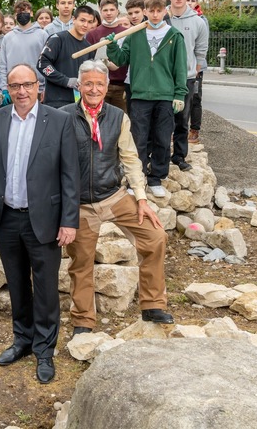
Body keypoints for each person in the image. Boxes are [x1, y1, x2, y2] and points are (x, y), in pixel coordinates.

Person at [60, 60, 173, 338]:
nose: (94, 88)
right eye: (88, 83)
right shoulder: (62, 116)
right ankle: (83, 321)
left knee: (155, 237)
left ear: (107, 86)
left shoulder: (118, 116)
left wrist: (142, 198)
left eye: (100, 83)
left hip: (114, 196)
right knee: (81, 263)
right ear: (79, 85)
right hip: (81, 204)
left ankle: (152, 304)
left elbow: (130, 158)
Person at [0, 64, 79, 384]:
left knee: (47, 288)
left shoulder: (60, 120)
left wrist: (69, 220)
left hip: (46, 220)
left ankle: (44, 350)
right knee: (16, 283)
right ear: (8, 89)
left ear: (39, 87)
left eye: (27, 85)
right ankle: (22, 340)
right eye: (15, 86)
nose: (21, 91)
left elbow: (70, 175)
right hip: (6, 217)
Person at [106, 0, 187, 199]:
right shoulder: (135, 34)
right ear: (145, 12)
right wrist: (112, 44)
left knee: (161, 138)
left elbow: (180, 69)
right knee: (139, 138)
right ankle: (137, 178)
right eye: (151, 10)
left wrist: (179, 94)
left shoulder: (174, 35)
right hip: (140, 94)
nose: (155, 14)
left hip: (165, 95)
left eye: (159, 10)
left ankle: (156, 177)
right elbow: (121, 59)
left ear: (164, 11)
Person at [166, 0, 208, 171]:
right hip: (163, 76)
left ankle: (179, 156)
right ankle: (160, 154)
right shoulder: (162, 17)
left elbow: (201, 50)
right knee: (162, 117)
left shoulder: (198, 21)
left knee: (182, 119)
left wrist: (194, 70)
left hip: (187, 77)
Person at [37, 5, 96, 108]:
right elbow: (42, 64)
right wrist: (66, 81)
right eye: (82, 20)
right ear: (74, 19)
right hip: (56, 102)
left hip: (78, 103)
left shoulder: (89, 47)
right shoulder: (57, 39)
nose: (85, 25)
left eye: (89, 22)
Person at [0, 0, 49, 101]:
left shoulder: (43, 35)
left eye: (25, 12)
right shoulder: (8, 38)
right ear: (15, 15)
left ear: (31, 13)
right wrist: (4, 88)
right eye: (19, 13)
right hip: (14, 88)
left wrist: (46, 87)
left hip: (37, 88)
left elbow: (48, 63)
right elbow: (3, 65)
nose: (22, 15)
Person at [86, 0, 129, 112]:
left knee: (121, 120)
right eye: (105, 10)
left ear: (117, 11)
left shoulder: (126, 33)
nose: (108, 13)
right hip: (99, 85)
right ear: (100, 11)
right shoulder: (93, 34)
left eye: (112, 10)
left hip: (122, 86)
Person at [186, 0, 209, 144]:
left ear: (196, 3)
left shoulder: (201, 20)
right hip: (182, 66)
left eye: (192, 1)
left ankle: (194, 129)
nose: (190, 3)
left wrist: (198, 67)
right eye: (188, 0)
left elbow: (202, 46)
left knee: (195, 98)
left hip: (196, 68)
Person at [123, 0, 146, 113]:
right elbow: (122, 58)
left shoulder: (152, 30)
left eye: (137, 12)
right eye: (130, 13)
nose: (134, 16)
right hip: (131, 81)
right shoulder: (128, 34)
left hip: (147, 82)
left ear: (144, 11)